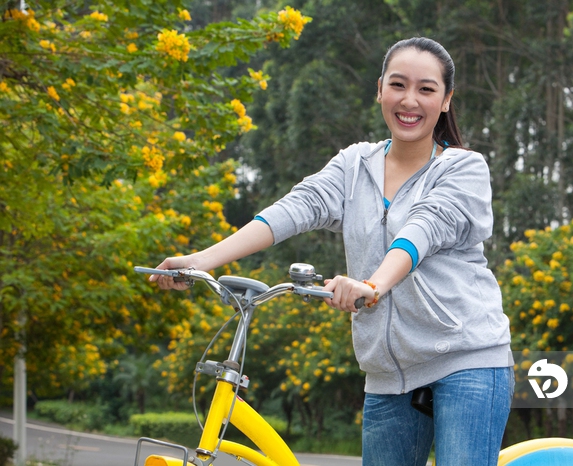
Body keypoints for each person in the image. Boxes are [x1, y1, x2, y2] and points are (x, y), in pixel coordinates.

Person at [152, 37, 513, 466]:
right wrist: (201, 260)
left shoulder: (462, 168)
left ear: (447, 100)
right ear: (380, 89)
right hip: (386, 376)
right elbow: (293, 209)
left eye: (426, 89)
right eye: (398, 85)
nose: (409, 100)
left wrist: (372, 284)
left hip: (466, 361)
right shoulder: (353, 165)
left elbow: (424, 228)